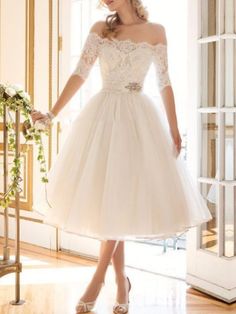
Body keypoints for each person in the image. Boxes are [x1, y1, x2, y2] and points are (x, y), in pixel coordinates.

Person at [31, 0, 212, 313]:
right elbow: (80, 73)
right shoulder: (102, 29)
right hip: (102, 118)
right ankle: (120, 283)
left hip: (139, 120)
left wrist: (174, 128)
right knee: (113, 204)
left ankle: (100, 279)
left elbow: (164, 83)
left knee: (121, 202)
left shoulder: (157, 32)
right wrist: (52, 113)